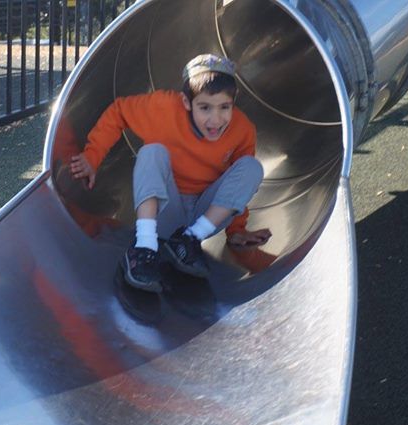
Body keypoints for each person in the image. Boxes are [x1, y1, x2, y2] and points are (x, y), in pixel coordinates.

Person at [70, 54, 271, 292]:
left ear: (233, 103)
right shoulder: (164, 107)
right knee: (151, 151)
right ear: (186, 102)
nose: (216, 119)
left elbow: (237, 186)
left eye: (224, 107)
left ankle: (189, 240)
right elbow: (119, 111)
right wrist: (92, 157)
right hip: (164, 209)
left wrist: (236, 230)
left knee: (251, 167)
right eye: (205, 108)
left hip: (206, 217)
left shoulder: (242, 129)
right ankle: (144, 247)